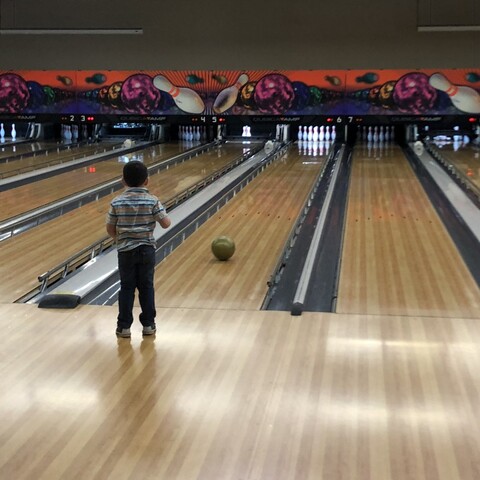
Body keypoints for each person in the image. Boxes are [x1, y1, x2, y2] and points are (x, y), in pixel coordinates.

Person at [106, 161, 171, 338]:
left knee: (126, 288)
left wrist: (120, 239)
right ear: (147, 181)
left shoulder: (116, 201)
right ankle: (149, 325)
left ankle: (124, 327)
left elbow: (110, 229)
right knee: (146, 287)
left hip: (125, 251)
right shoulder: (152, 200)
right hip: (146, 250)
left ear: (122, 181)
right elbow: (166, 223)